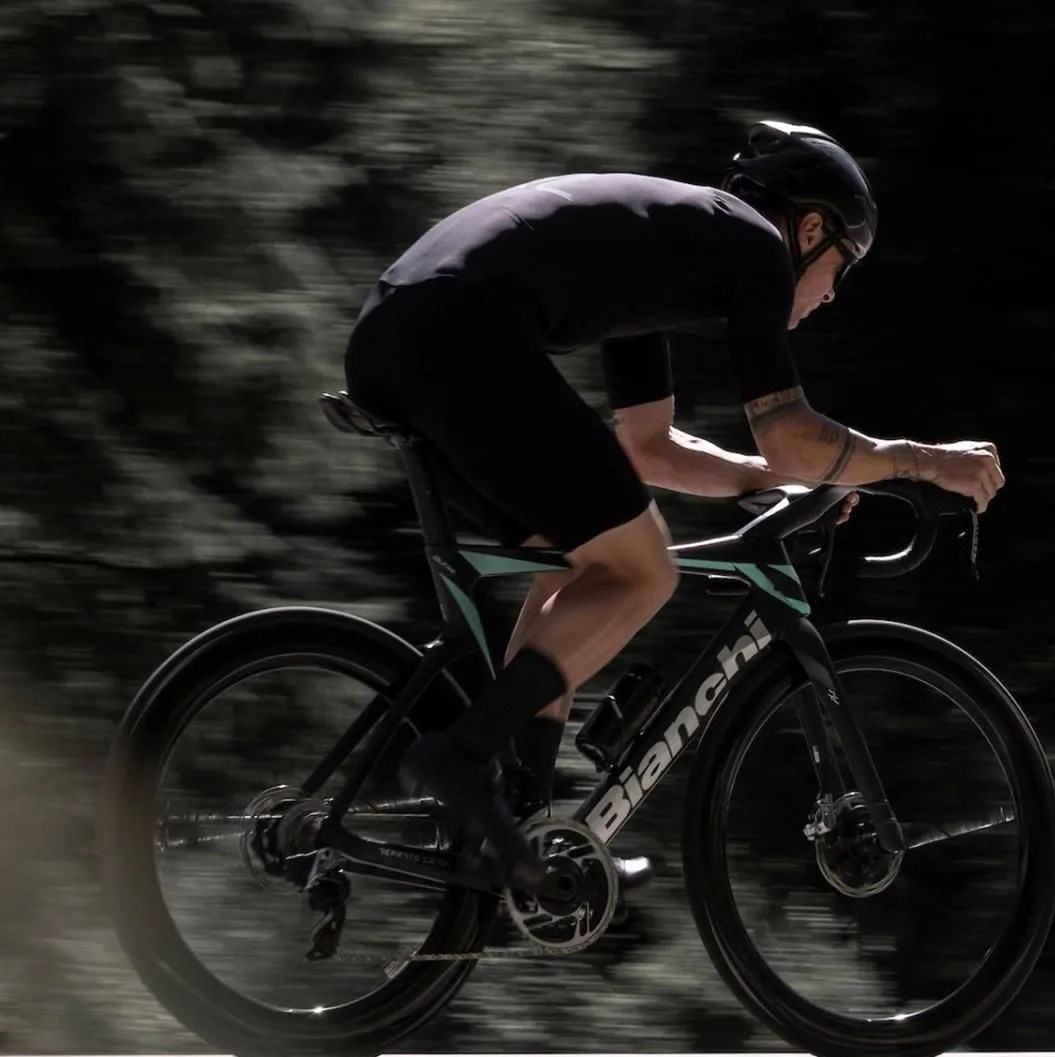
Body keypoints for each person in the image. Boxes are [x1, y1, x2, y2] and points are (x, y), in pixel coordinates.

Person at [342, 120, 1005, 886]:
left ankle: (518, 814)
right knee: (645, 568)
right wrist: (923, 461)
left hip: (395, 334)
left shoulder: (659, 251)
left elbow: (649, 448)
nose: (831, 294)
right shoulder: (756, 244)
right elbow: (791, 436)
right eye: (842, 267)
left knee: (574, 561)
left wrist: (768, 480)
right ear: (809, 229)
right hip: (456, 328)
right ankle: (460, 754)